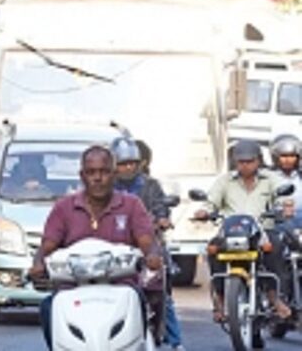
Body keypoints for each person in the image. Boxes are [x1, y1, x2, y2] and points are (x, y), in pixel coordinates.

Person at [29, 145, 162, 349]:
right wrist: (38, 263)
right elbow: (48, 245)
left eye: (104, 172)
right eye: (91, 172)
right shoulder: (64, 208)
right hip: (72, 289)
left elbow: (146, 239)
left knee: (141, 301)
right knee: (48, 307)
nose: (98, 178)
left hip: (121, 287)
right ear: (82, 176)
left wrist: (152, 255)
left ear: (114, 174)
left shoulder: (131, 205)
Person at [194, 139, 292, 322]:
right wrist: (204, 212)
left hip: (261, 232)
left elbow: (284, 195)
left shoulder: (270, 179)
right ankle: (220, 301)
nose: (245, 166)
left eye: (249, 161)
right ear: (235, 162)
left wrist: (284, 207)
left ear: (258, 161)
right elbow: (211, 202)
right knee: (213, 249)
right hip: (232, 232)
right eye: (241, 162)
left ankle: (274, 296)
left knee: (275, 247)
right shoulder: (225, 181)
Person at [111, 137, 184, 351]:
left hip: (147, 245)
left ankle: (175, 341)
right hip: (113, 247)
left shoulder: (150, 185)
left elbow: (162, 207)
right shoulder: (104, 188)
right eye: (123, 164)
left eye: (132, 163)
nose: (128, 168)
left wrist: (162, 218)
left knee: (162, 290)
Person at [269, 134, 302, 218]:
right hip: (274, 225)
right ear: (275, 157)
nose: (288, 160)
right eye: (283, 156)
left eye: (292, 156)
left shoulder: (300, 177)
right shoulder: (267, 177)